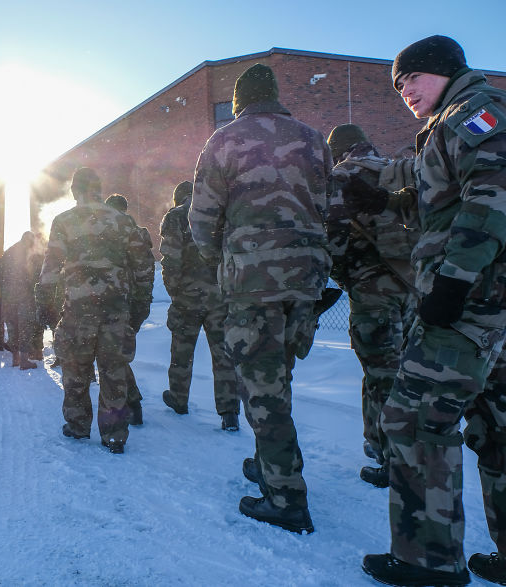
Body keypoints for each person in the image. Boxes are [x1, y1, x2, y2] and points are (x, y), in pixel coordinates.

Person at [354, 35, 506, 587]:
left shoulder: (477, 113)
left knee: (414, 420)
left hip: (467, 307)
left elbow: (491, 196)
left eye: (411, 79)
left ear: (443, 70)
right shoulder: (450, 123)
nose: (404, 93)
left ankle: (427, 561)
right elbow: (440, 192)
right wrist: (389, 198)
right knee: (494, 428)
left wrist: (453, 282)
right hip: (490, 310)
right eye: (397, 86)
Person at [189, 63, 332, 534]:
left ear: (237, 102)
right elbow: (329, 207)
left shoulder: (224, 140)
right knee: (277, 377)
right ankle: (269, 462)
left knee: (263, 388)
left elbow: (202, 219)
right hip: (305, 281)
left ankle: (286, 498)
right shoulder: (314, 138)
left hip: (255, 283)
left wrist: (227, 258)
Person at [324, 123, 418, 489]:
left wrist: (344, 276)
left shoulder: (342, 175)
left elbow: (332, 237)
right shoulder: (397, 167)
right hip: (409, 284)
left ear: (339, 150)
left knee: (381, 374)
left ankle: (396, 462)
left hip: (372, 288)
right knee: (395, 370)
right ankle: (378, 442)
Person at [35, 167, 154, 454]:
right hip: (116, 310)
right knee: (113, 372)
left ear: (75, 191)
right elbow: (144, 267)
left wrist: (44, 304)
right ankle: (114, 435)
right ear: (99, 189)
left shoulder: (64, 220)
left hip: (78, 309)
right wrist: (139, 305)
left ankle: (77, 426)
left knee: (76, 370)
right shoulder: (123, 221)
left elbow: (51, 266)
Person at [160, 180, 241, 431]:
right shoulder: (220, 214)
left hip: (188, 296)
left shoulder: (175, 217)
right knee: (224, 355)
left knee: (182, 353)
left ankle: (179, 399)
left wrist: (176, 290)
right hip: (220, 295)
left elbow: (170, 259)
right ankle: (229, 412)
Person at [105, 193, 152, 425]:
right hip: (134, 303)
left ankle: (132, 404)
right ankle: (133, 404)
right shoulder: (139, 233)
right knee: (118, 353)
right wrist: (143, 302)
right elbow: (147, 270)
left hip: (115, 303)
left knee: (114, 355)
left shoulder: (106, 233)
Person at [0, 231, 44, 369]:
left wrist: (5, 290)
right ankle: (24, 361)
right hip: (25, 295)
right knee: (25, 326)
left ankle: (15, 359)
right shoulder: (32, 254)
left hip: (8, 294)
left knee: (12, 326)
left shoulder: (9, 252)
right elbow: (37, 274)